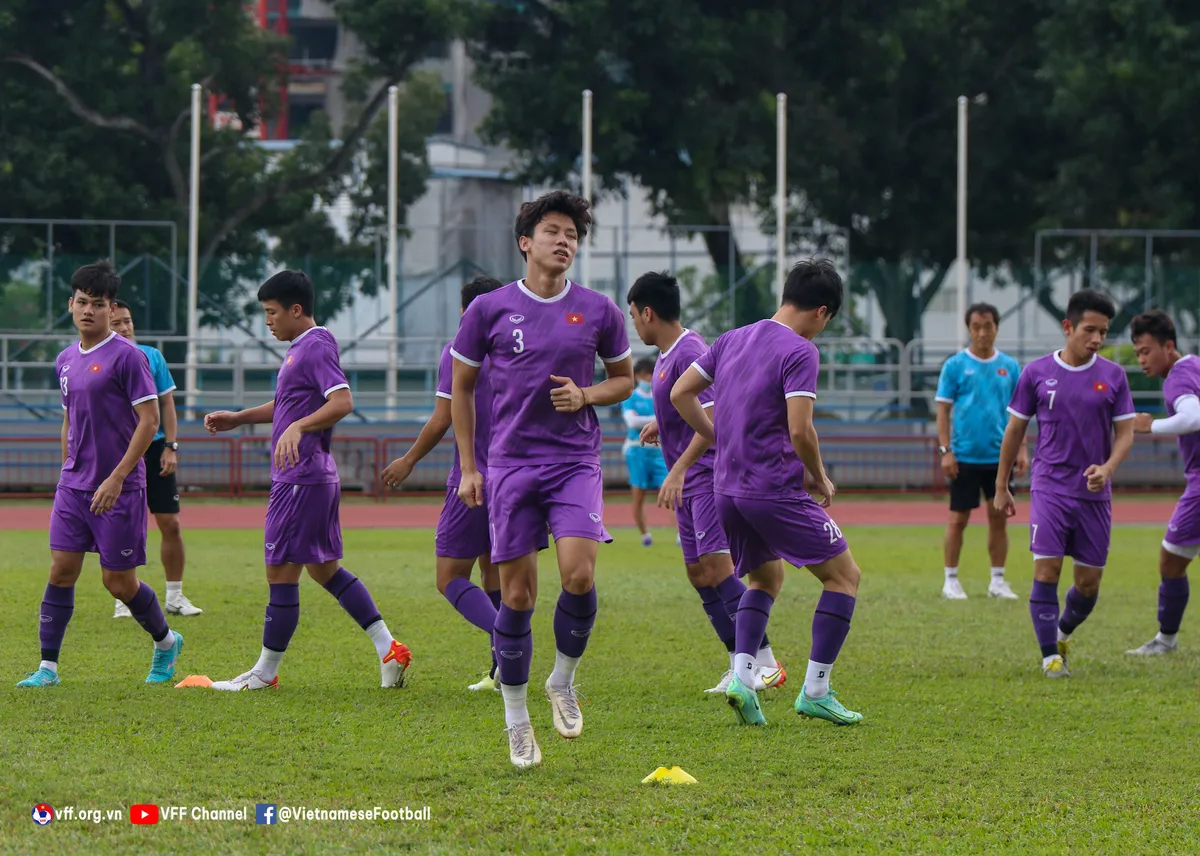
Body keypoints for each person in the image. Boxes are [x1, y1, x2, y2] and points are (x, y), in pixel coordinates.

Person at [450, 190, 634, 768]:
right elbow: (460, 389)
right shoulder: (489, 310)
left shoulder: (601, 310)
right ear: (526, 242)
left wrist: (587, 394)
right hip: (509, 467)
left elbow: (624, 380)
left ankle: (562, 679)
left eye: (573, 235)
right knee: (518, 595)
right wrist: (470, 467)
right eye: (553, 231)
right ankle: (516, 719)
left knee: (578, 576)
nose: (564, 241)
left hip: (575, 461)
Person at [671, 259, 863, 728]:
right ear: (822, 311)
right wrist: (818, 476)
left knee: (764, 581)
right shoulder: (800, 351)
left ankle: (742, 678)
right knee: (844, 577)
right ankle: (816, 690)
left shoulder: (731, 338)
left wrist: (716, 438)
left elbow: (681, 393)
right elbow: (801, 430)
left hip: (726, 490)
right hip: (772, 489)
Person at [203, 270, 411, 691]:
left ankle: (264, 673)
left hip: (300, 478)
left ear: (296, 310)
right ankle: (389, 648)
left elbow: (342, 401)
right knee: (325, 570)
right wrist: (239, 417)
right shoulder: (303, 348)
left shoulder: (314, 347)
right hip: (309, 478)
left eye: (272, 312)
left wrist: (298, 428)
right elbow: (288, 402)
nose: (268, 322)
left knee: (280, 571)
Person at [19, 261, 184, 687]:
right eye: (82, 301)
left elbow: (149, 422)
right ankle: (47, 668)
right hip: (73, 486)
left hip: (122, 487)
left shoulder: (129, 357)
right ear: (70, 304)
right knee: (61, 570)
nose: (88, 310)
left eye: (98, 303)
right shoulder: (64, 360)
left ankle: (166, 642)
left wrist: (116, 477)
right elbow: (69, 422)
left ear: (112, 309)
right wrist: (64, 470)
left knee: (118, 583)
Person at [626, 271, 787, 693]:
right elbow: (690, 411)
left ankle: (763, 663)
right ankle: (739, 662)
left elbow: (714, 417)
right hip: (690, 478)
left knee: (717, 567)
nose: (634, 325)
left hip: (706, 476)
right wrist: (660, 425)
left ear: (648, 312)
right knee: (699, 572)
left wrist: (678, 468)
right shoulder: (664, 357)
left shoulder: (689, 350)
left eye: (634, 316)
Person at [382, 275, 543, 692]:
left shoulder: (460, 351)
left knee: (450, 577)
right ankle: (500, 670)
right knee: (495, 574)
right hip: (522, 478)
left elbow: (442, 418)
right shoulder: (525, 349)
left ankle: (506, 639)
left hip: (475, 477)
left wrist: (409, 460)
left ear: (465, 312)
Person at [994, 289, 1135, 678]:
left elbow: (1125, 434)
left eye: (1103, 332)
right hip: (1050, 487)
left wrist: (1106, 468)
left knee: (1088, 586)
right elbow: (1014, 430)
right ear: (1068, 327)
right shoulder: (1036, 373)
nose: (1097, 340)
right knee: (1047, 571)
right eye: (1090, 330)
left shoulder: (1114, 376)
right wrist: (1001, 484)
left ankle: (1061, 632)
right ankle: (1049, 657)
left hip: (1094, 494)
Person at [109, 299, 203, 618]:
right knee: (122, 526)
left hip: (154, 448)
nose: (124, 328)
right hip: (117, 452)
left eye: (128, 321)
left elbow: (167, 404)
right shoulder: (97, 360)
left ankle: (175, 596)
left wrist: (171, 446)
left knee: (170, 523)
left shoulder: (151, 356)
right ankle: (124, 596)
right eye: (116, 323)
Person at [935, 302, 1026, 600]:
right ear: (969, 329)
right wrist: (946, 450)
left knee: (999, 518)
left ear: (997, 327)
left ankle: (997, 581)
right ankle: (951, 579)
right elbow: (943, 411)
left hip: (1000, 457)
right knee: (958, 518)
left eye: (988, 326)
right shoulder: (955, 366)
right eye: (976, 327)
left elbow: (1020, 414)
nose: (982, 333)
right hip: (965, 457)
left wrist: (1021, 449)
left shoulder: (1010, 367)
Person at [1128, 310, 1199, 654]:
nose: (1141, 360)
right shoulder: (1195, 365)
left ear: (1168, 346)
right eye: (1137, 353)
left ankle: (1165, 641)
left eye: (1146, 351)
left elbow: (1192, 418)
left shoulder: (1178, 378)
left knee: (1170, 558)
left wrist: (1149, 425)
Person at [622, 357, 668, 546]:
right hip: (636, 450)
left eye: (650, 374)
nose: (647, 379)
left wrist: (650, 419)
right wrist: (658, 419)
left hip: (659, 451)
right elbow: (632, 422)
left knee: (670, 493)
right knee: (638, 494)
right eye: (643, 375)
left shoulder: (660, 395)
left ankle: (681, 534)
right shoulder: (630, 397)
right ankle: (645, 535)